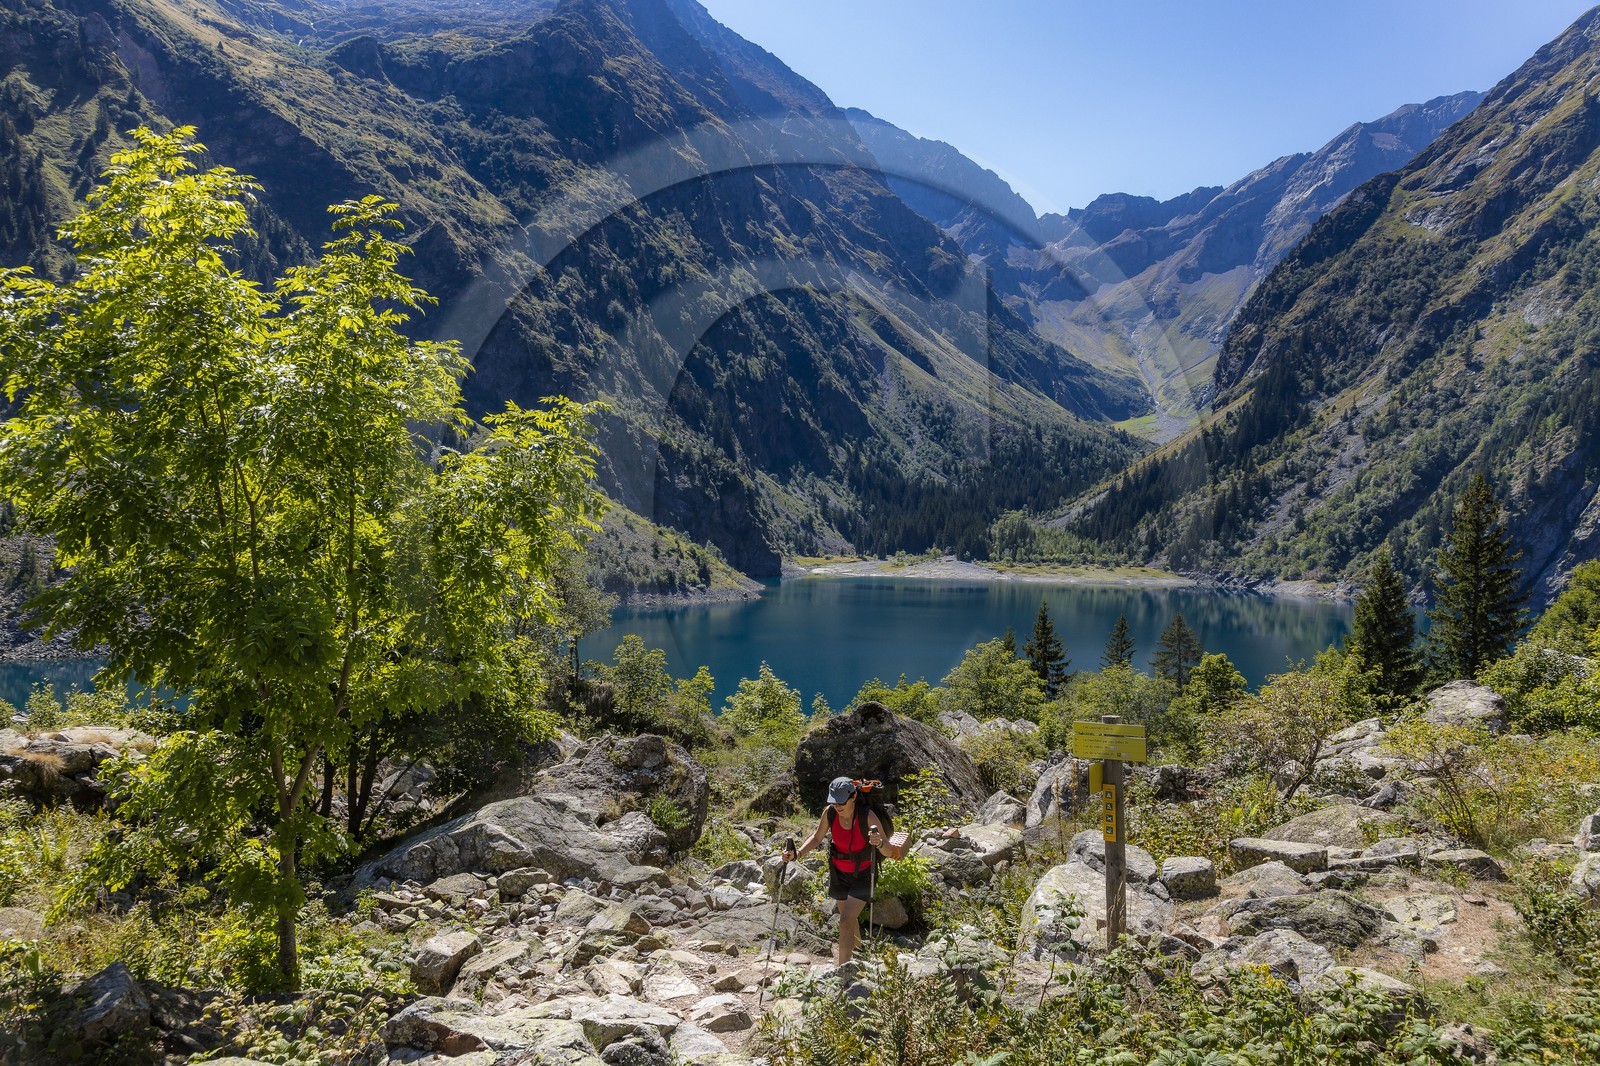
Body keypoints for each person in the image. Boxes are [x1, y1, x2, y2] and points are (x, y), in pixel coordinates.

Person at [782, 776, 904, 964]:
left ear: (853, 797)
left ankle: (843, 971)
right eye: (833, 801)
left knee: (846, 921)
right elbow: (816, 838)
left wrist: (878, 842)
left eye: (841, 802)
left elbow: (887, 850)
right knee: (848, 917)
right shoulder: (830, 813)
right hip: (839, 872)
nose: (837, 806)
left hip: (863, 873)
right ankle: (859, 950)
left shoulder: (868, 816)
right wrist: (797, 853)